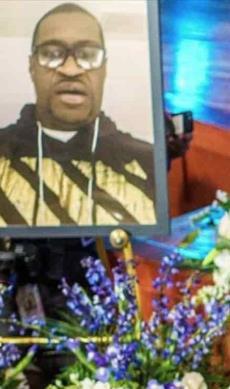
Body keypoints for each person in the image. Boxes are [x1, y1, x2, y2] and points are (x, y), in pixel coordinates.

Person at [0, 2, 156, 227]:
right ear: (32, 66)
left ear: (104, 69)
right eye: (51, 54)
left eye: (87, 54)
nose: (70, 70)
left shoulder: (146, 161)